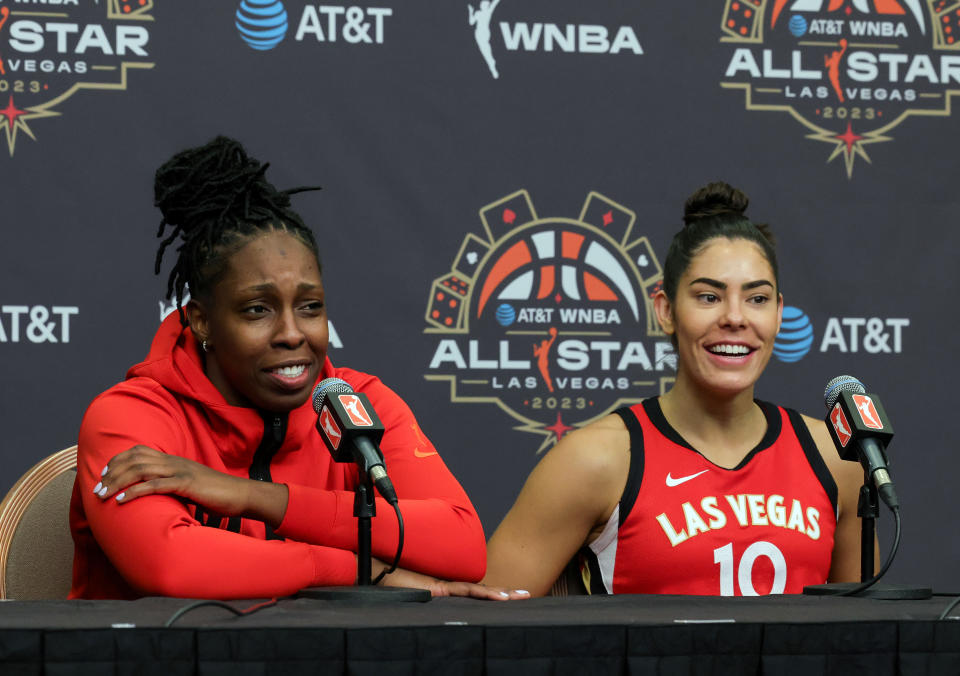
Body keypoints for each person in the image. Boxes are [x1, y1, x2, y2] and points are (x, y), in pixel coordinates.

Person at [69, 136, 520, 600]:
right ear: (201, 319)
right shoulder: (129, 417)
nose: (292, 333)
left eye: (309, 306)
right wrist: (358, 570)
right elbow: (171, 569)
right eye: (257, 310)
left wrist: (254, 497)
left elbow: (462, 545)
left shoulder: (357, 401)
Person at [483, 181, 866, 596]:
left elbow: (865, 638)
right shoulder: (596, 460)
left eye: (757, 298)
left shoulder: (836, 458)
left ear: (778, 314)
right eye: (708, 297)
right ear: (666, 311)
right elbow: (484, 630)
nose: (735, 317)